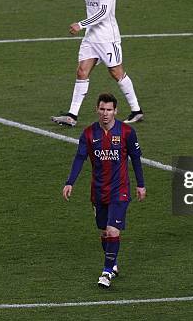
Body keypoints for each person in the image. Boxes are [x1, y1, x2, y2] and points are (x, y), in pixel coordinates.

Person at [51, 0, 144, 127]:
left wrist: (81, 24)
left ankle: (137, 110)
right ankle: (72, 116)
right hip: (91, 37)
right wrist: (86, 28)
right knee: (81, 71)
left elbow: (104, 12)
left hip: (107, 37)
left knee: (116, 72)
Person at [62, 93, 146, 288]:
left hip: (120, 191)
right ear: (97, 110)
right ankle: (113, 263)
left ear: (115, 111)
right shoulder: (89, 134)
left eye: (109, 110)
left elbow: (135, 159)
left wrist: (141, 184)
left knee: (112, 230)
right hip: (99, 192)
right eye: (102, 109)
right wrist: (70, 182)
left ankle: (106, 272)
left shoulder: (126, 132)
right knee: (104, 232)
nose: (105, 113)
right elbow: (79, 158)